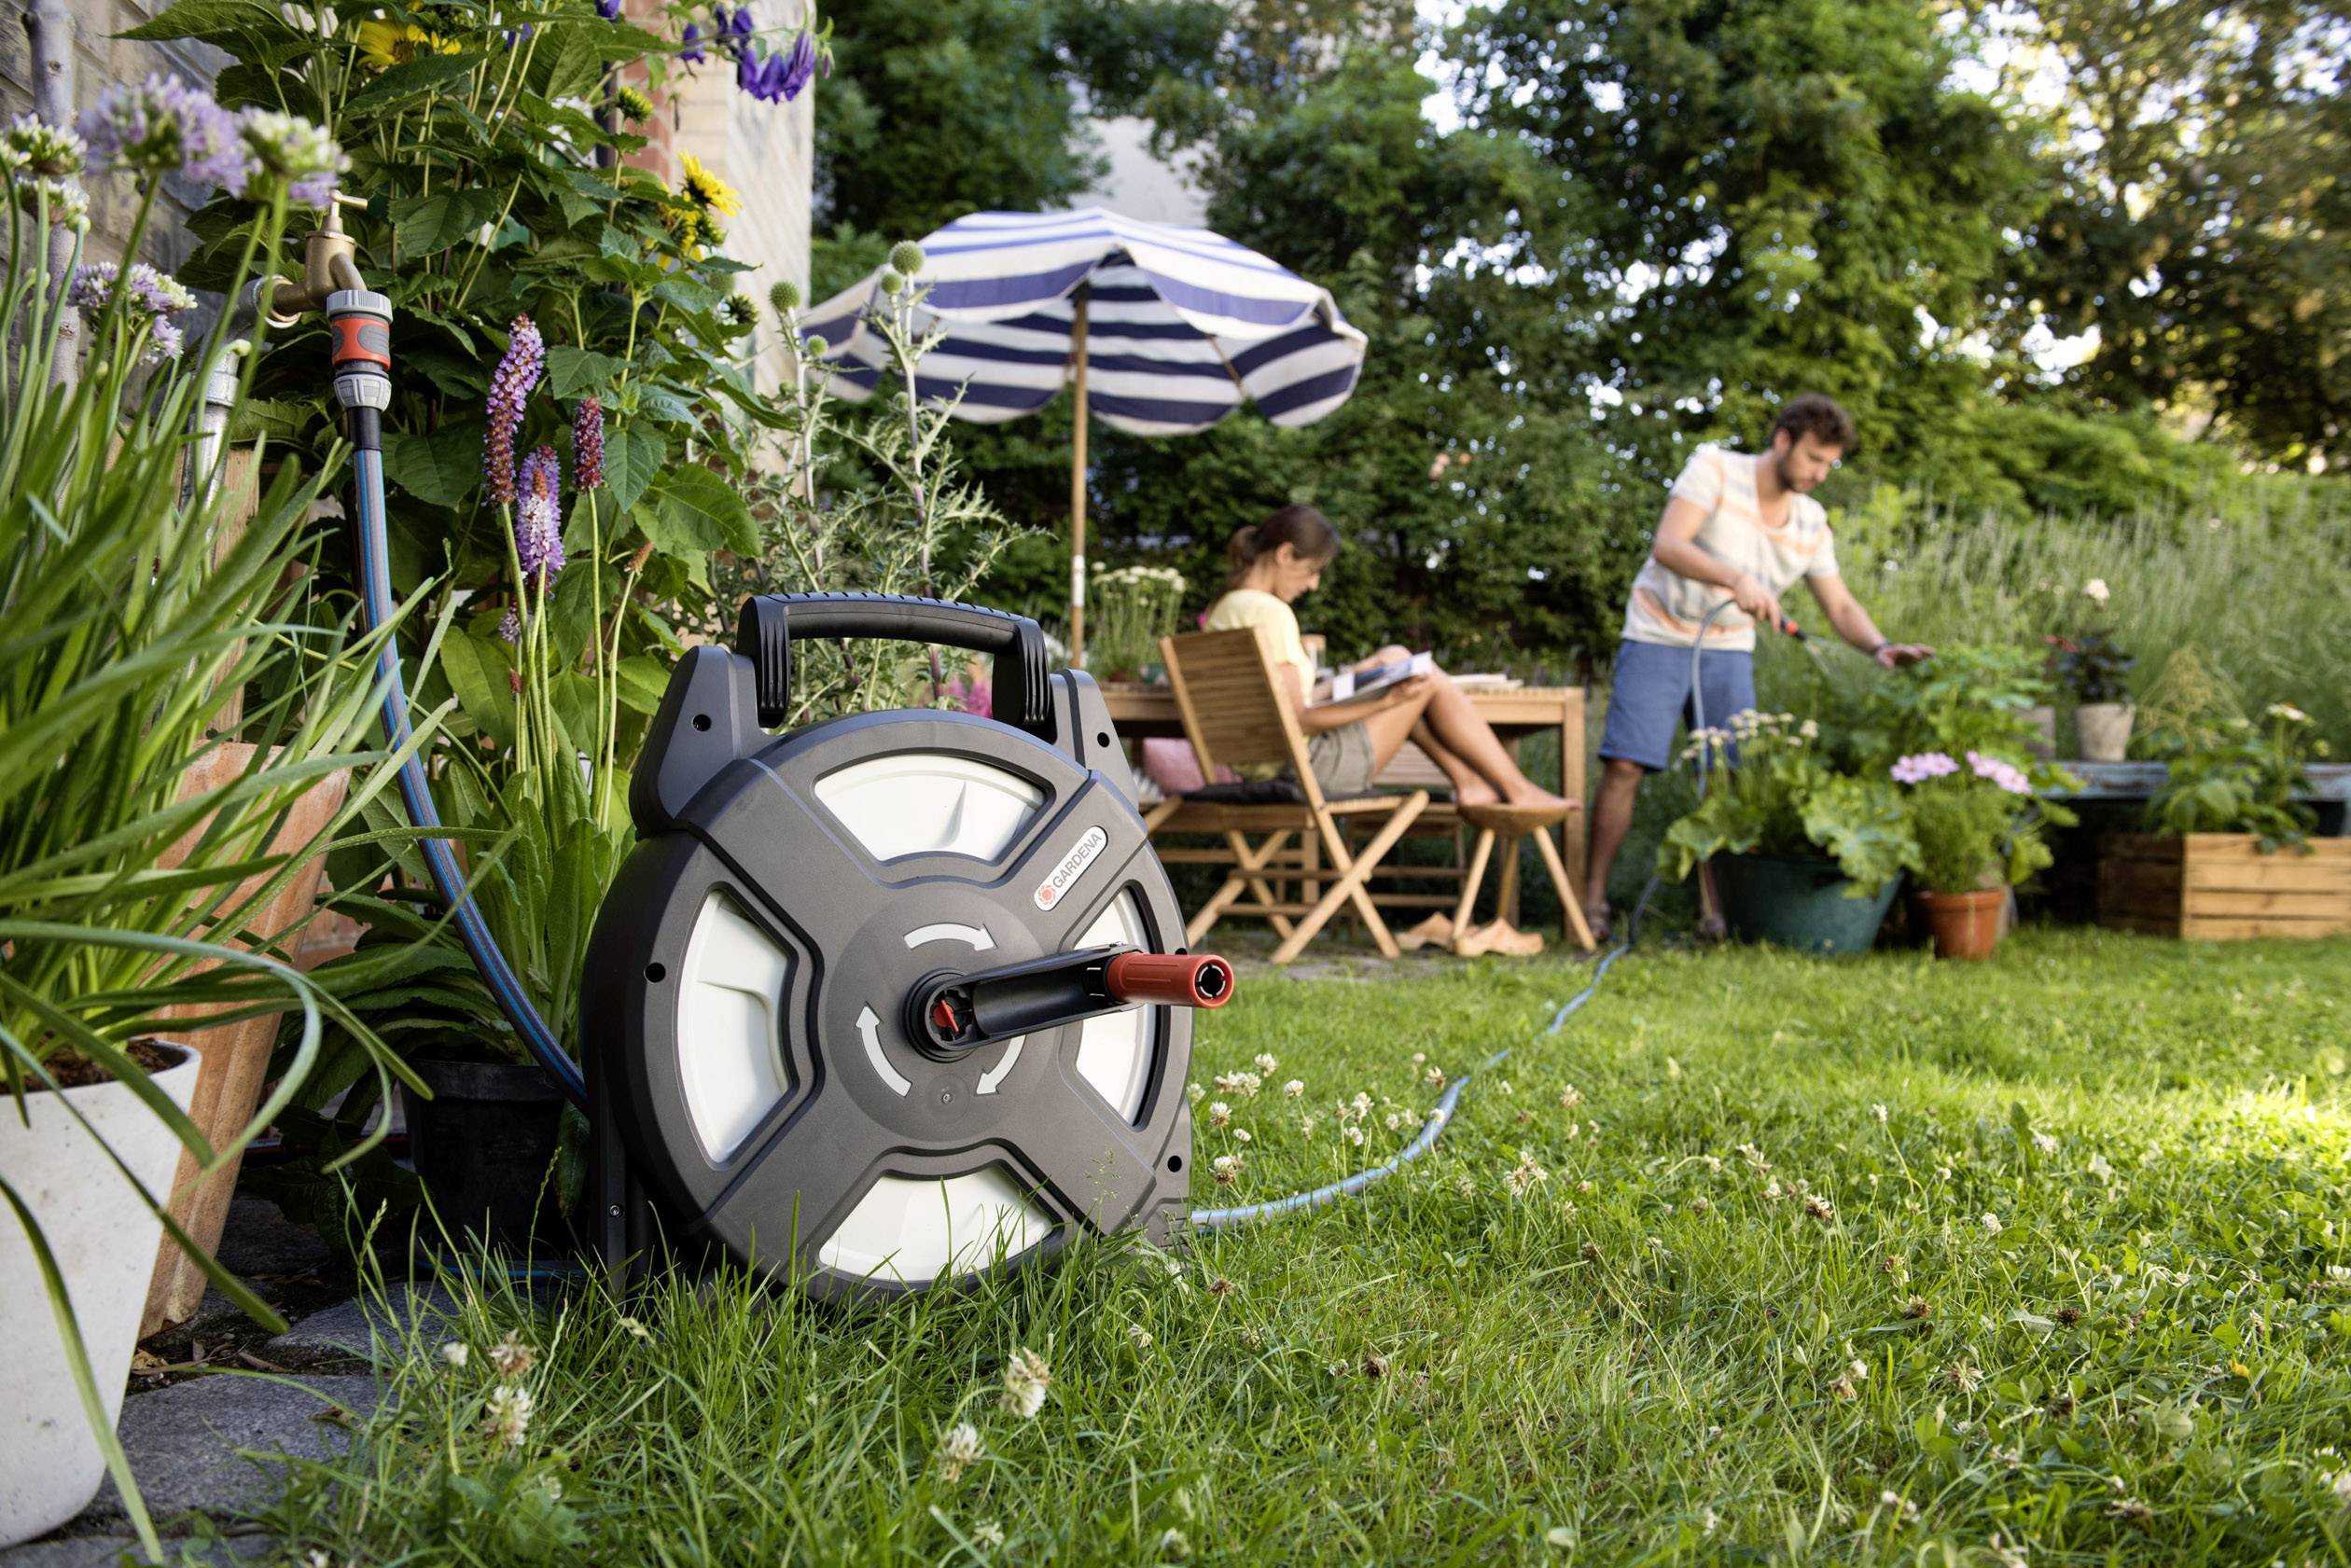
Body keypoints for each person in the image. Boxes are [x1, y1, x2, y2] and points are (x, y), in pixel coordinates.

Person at [1579, 395, 1931, 941]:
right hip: (1658, 630)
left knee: (1727, 780)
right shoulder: (1715, 469)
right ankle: (1591, 900)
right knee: (1626, 764)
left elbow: (1838, 605)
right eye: (1814, 458)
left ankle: (1717, 914)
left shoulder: (1810, 522)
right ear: (1784, 440)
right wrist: (1734, 578)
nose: (1820, 473)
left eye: (1829, 464)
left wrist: (1880, 647)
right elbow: (1669, 545)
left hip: (1727, 646)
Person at [1203, 504, 1576, 816]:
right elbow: (1298, 718)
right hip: (1308, 772)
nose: (1313, 584)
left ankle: (1472, 783)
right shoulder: (1271, 613)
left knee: (1396, 659)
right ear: (1285, 554)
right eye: (1313, 570)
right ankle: (1515, 787)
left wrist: (1354, 676)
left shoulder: (1225, 611)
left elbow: (1279, 708)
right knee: (1423, 677)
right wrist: (1387, 700)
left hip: (1267, 769)